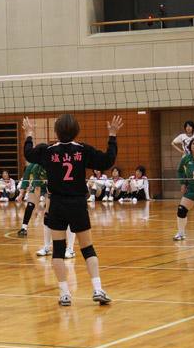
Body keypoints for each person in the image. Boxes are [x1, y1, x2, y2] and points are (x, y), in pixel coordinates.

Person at [23, 114, 122, 306]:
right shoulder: (82, 150)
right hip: (77, 204)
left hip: (57, 204)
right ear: (77, 131)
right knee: (87, 248)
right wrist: (112, 135)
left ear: (56, 132)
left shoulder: (48, 151)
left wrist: (29, 134)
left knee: (58, 251)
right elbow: (107, 160)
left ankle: (64, 294)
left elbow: (28, 153)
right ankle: (97, 289)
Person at [15, 163, 47, 236]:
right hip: (36, 185)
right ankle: (24, 228)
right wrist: (21, 194)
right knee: (30, 205)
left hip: (47, 186)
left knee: (50, 207)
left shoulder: (49, 164)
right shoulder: (31, 166)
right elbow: (25, 180)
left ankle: (53, 228)